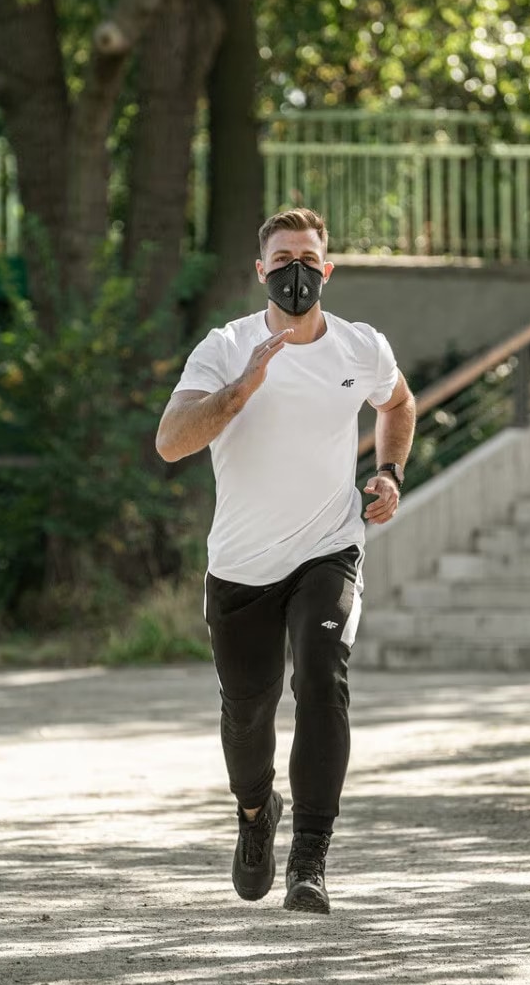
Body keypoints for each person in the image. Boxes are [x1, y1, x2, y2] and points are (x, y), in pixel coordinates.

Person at [155, 207, 415, 915]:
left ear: (326, 270)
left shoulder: (360, 347)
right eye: (283, 259)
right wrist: (239, 392)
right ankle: (252, 815)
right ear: (260, 271)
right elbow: (172, 442)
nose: (295, 271)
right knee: (246, 714)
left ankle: (310, 860)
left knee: (322, 680)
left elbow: (398, 404)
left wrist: (389, 474)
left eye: (309, 258)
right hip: (240, 566)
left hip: (328, 548)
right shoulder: (224, 347)